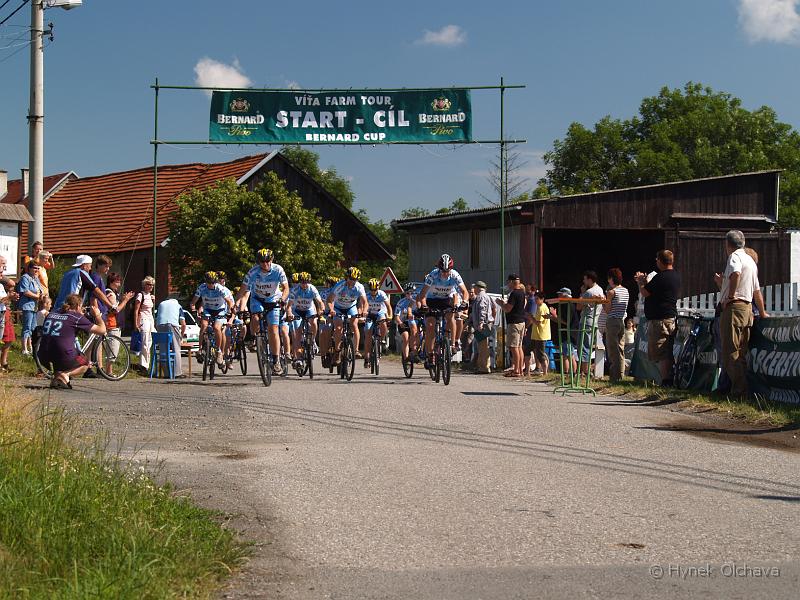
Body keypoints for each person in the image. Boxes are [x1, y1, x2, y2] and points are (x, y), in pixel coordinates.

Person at [714, 231, 768, 397]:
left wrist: (730, 296)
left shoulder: (735, 257)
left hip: (734, 308)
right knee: (741, 351)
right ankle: (741, 389)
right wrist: (763, 311)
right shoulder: (750, 260)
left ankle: (739, 390)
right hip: (747, 308)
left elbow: (736, 273)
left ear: (727, 244)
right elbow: (756, 290)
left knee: (730, 350)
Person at [236, 248, 289, 375]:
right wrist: (235, 304)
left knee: (274, 328)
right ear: (258, 262)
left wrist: (282, 299)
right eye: (262, 262)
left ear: (271, 260)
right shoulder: (252, 272)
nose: (265, 264)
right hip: (257, 299)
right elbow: (243, 289)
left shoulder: (278, 269)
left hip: (274, 299)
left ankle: (276, 360)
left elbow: (286, 288)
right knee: (254, 318)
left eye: (267, 261)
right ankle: (256, 339)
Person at [37, 294, 106, 389]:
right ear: (78, 306)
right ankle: (65, 374)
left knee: (59, 356)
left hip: (43, 354)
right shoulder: (76, 317)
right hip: (63, 355)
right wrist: (97, 315)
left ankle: (57, 379)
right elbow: (102, 330)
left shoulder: (52, 313)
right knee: (86, 363)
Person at [635, 249, 681, 386]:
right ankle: (667, 379)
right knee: (667, 350)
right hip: (669, 317)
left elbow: (645, 292)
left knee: (661, 353)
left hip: (660, 320)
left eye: (657, 260)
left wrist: (641, 282)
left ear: (660, 261)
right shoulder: (675, 276)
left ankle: (666, 381)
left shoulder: (662, 277)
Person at [417, 254, 469, 369]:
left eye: (447, 271)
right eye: (442, 271)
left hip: (446, 300)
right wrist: (424, 306)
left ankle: (453, 343)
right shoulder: (433, 275)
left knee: (451, 317)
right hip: (432, 300)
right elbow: (423, 294)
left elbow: (465, 291)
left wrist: (464, 302)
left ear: (451, 269)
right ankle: (430, 355)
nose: (445, 273)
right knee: (430, 325)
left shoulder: (455, 275)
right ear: (439, 268)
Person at [323, 266, 368, 365]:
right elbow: (330, 300)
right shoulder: (340, 285)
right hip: (338, 308)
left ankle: (355, 350)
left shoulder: (359, 287)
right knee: (338, 328)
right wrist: (331, 310)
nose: (353, 281)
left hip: (350, 307)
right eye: (351, 279)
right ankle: (337, 351)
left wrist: (364, 311)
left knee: (354, 325)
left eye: (355, 280)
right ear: (346, 277)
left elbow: (365, 302)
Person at [191, 271, 235, 369]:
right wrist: (194, 309)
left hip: (220, 310)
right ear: (205, 282)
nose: (211, 285)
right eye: (209, 283)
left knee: (216, 328)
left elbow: (229, 302)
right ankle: (200, 349)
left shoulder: (220, 288)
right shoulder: (201, 288)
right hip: (208, 309)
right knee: (203, 326)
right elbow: (193, 302)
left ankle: (219, 351)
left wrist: (231, 310)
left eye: (213, 282)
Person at [285, 272, 324, 369]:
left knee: (314, 322)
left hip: (308, 310)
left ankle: (313, 340)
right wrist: (289, 314)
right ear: (299, 282)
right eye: (302, 282)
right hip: (297, 311)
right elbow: (289, 306)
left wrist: (321, 310)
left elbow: (320, 302)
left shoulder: (312, 289)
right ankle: (298, 359)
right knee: (297, 335)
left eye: (306, 282)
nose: (304, 284)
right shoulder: (295, 290)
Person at [495, 274, 527, 378]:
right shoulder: (522, 292)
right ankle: (520, 370)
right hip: (521, 322)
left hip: (514, 323)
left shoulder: (514, 293)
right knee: (519, 347)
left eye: (508, 282)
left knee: (514, 347)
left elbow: (508, 309)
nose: (507, 284)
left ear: (512, 282)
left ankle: (516, 370)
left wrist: (500, 303)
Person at [104, 273, 135, 374]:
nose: (119, 283)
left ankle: (109, 371)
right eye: (117, 281)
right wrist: (125, 300)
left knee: (113, 349)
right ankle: (108, 372)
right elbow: (115, 310)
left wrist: (123, 300)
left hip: (116, 324)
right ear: (111, 282)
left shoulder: (114, 293)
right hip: (112, 324)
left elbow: (120, 308)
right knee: (113, 349)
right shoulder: (110, 294)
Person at [576, 271, 605, 376]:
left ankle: (586, 372)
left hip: (586, 321)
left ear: (589, 279)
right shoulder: (600, 290)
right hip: (595, 321)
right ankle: (586, 371)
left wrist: (582, 293)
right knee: (588, 346)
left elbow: (578, 307)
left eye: (585, 279)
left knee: (583, 347)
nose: (583, 281)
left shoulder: (589, 292)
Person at [604, 268, 629, 383]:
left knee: (613, 350)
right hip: (621, 321)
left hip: (612, 321)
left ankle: (614, 377)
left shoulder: (611, 292)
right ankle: (621, 375)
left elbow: (608, 310)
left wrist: (604, 301)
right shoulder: (625, 291)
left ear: (611, 278)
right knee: (621, 350)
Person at [363, 278, 392, 368]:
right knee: (368, 333)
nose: (373, 292)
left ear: (378, 288)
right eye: (372, 290)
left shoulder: (382, 294)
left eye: (375, 290)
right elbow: (361, 305)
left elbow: (388, 306)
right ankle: (367, 358)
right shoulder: (366, 295)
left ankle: (381, 339)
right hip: (370, 314)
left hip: (380, 313)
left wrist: (390, 316)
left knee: (383, 322)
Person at [155, 295, 187, 378]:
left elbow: (157, 318)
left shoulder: (161, 304)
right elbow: (183, 324)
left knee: (163, 349)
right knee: (176, 348)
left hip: (160, 325)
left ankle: (166, 373)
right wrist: (181, 336)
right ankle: (177, 373)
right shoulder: (178, 305)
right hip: (172, 324)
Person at [17, 260, 44, 356]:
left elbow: (41, 290)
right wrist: (37, 296)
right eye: (34, 268)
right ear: (29, 268)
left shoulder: (36, 278)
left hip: (35, 307)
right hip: (27, 305)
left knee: (33, 328)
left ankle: (32, 347)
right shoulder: (25, 277)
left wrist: (41, 295)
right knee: (27, 327)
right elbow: (25, 291)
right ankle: (24, 349)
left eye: (38, 268)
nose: (36, 270)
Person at [551, 287, 578, 375]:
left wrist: (555, 317)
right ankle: (569, 373)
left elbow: (566, 322)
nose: (558, 296)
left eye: (560, 294)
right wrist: (552, 317)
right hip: (566, 333)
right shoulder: (565, 304)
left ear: (565, 295)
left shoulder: (568, 305)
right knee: (567, 354)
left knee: (567, 355)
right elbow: (561, 321)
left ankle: (568, 373)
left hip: (569, 334)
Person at [133, 276, 157, 373]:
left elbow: (151, 309)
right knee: (145, 342)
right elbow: (136, 310)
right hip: (143, 318)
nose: (151, 286)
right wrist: (136, 324)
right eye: (149, 284)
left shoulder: (151, 296)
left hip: (150, 319)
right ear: (144, 285)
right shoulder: (140, 295)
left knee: (150, 341)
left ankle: (147, 363)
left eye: (152, 285)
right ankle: (143, 365)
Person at [0, 256, 19, 372]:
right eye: (2, 266)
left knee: (6, 338)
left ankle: (3, 363)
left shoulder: (1, 285)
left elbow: (3, 300)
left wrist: (11, 298)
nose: (2, 273)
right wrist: (9, 297)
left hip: (2, 313)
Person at [470, 281, 493, 374]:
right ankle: (482, 366)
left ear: (478, 287)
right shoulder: (484, 296)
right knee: (482, 345)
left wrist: (480, 323)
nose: (474, 289)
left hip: (483, 324)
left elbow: (482, 310)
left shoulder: (481, 296)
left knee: (483, 346)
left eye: (475, 287)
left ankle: (484, 367)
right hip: (483, 324)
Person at [395, 282, 420, 363]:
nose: (410, 294)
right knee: (406, 338)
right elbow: (396, 317)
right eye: (408, 293)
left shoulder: (416, 301)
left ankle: (414, 352)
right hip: (403, 323)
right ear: (405, 293)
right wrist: (400, 323)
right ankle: (406, 359)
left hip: (414, 322)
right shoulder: (401, 302)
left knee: (418, 335)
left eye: (412, 293)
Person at [529, 290, 552, 376]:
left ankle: (545, 372)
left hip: (541, 335)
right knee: (538, 352)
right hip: (538, 334)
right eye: (535, 299)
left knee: (540, 353)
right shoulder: (541, 307)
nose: (535, 300)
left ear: (542, 299)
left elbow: (538, 322)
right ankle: (542, 370)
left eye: (537, 299)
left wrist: (531, 318)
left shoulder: (542, 308)